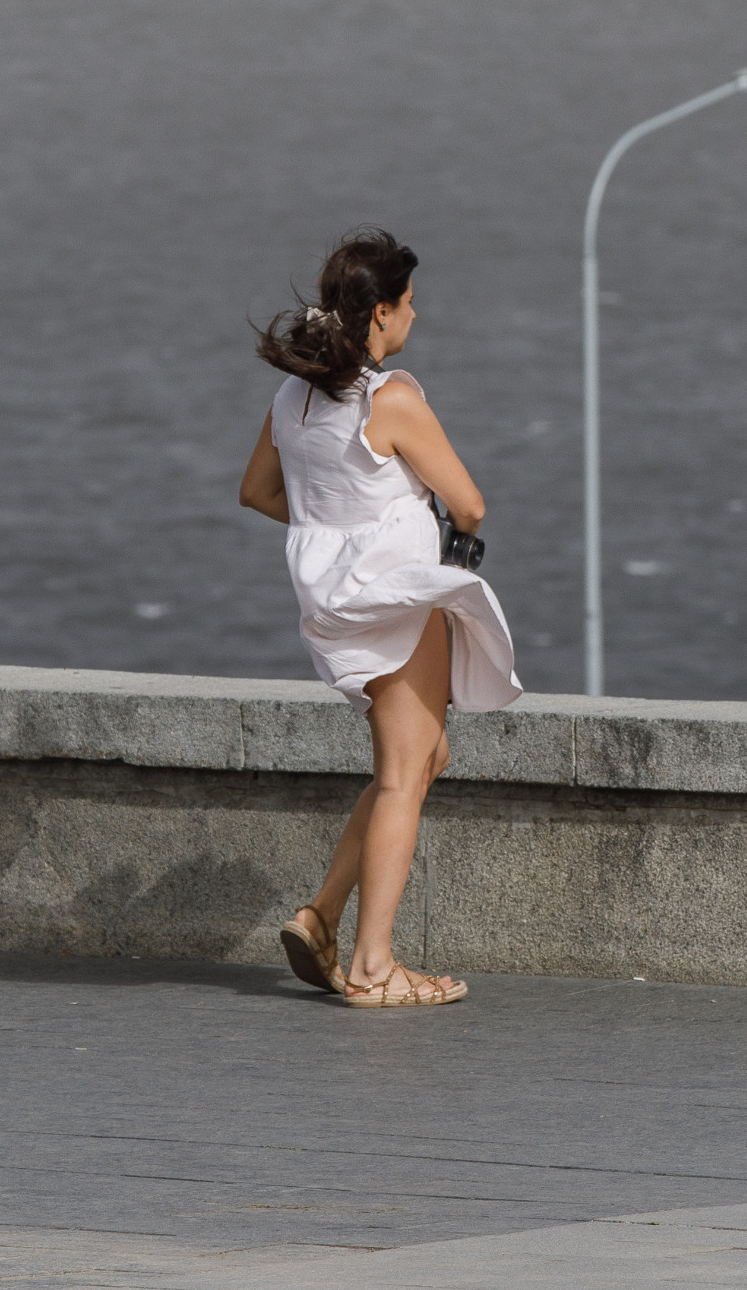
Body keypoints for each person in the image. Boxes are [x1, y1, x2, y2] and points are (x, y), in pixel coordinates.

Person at [236, 227, 520, 1008]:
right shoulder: (389, 399)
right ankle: (372, 966)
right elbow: (468, 503)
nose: (416, 318)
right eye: (410, 304)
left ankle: (322, 916)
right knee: (405, 776)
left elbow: (258, 494)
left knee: (424, 759)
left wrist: (336, 518)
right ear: (381, 315)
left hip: (331, 602)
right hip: (394, 598)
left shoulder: (291, 397)